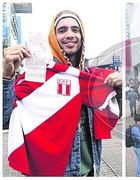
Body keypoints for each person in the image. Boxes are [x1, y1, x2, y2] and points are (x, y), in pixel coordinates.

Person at [3, 10, 122, 176]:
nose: (70, 34)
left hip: (90, 172)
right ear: (53, 37)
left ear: (82, 36)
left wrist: (118, 89)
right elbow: (5, 119)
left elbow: (110, 116)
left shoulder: (93, 79)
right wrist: (6, 76)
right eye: (62, 30)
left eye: (75, 29)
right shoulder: (37, 76)